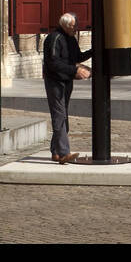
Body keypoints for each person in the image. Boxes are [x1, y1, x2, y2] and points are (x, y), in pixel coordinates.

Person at [43, 13, 92, 164]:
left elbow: (77, 57)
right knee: (59, 116)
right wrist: (75, 70)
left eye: (76, 26)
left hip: (67, 82)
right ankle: (64, 153)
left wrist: (93, 50)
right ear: (64, 25)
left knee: (62, 116)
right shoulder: (54, 38)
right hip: (55, 82)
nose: (75, 29)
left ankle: (55, 152)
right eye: (73, 26)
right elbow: (53, 63)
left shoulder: (71, 38)